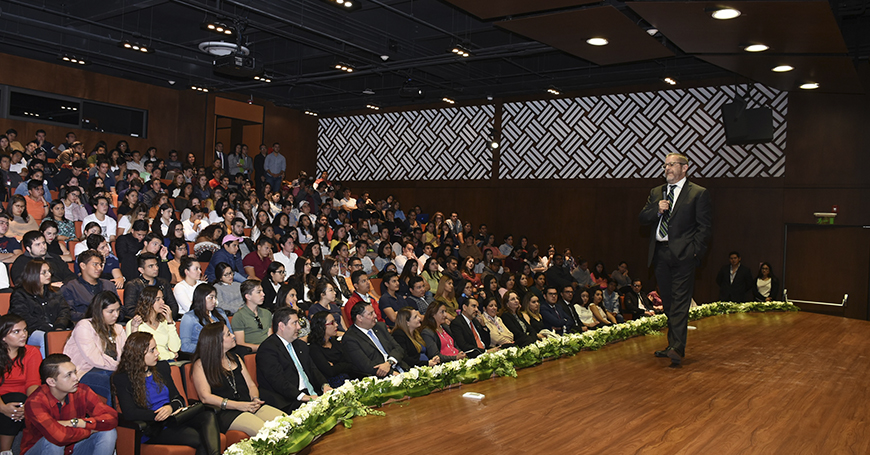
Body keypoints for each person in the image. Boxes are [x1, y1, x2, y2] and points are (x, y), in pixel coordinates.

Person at [639, 152, 712, 367]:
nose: (667, 168)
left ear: (685, 167)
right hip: (660, 254)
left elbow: (704, 227)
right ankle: (672, 345)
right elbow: (642, 218)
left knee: (680, 301)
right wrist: (656, 210)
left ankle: (677, 347)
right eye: (665, 165)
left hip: (684, 256)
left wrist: (695, 253)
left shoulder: (698, 193)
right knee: (669, 302)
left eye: (672, 165)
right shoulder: (656, 192)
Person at [112, 332, 220, 455]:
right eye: (152, 350)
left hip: (174, 418)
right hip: (154, 426)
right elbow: (129, 412)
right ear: (138, 354)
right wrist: (158, 414)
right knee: (201, 439)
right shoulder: (123, 378)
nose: (157, 353)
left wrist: (170, 408)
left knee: (208, 415)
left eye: (156, 348)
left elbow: (178, 398)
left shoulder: (162, 367)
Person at [190, 323, 283, 436]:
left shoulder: (235, 358)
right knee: (266, 432)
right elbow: (205, 397)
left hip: (248, 405)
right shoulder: (201, 365)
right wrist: (238, 405)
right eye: (228, 334)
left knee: (285, 423)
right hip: (226, 412)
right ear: (217, 342)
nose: (233, 335)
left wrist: (255, 399)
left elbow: (251, 385)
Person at [22, 353, 118, 455]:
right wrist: (90, 430)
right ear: (51, 382)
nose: (75, 378)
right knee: (53, 443)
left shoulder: (82, 391)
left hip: (73, 447)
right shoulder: (35, 402)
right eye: (68, 375)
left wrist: (79, 423)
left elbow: (112, 417)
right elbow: (59, 437)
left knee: (109, 433)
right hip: (41, 450)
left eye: (75, 372)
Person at [256, 307, 330, 413]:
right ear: (281, 326)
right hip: (288, 399)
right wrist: (303, 397)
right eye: (294, 323)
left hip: (310, 393)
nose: (299, 327)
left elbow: (312, 369)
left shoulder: (300, 345)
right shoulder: (268, 349)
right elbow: (278, 381)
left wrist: (324, 385)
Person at [63, 292, 126, 405]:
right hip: (84, 371)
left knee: (133, 378)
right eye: (111, 311)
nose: (116, 315)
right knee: (113, 382)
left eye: (118, 310)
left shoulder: (118, 328)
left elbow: (125, 354)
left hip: (111, 370)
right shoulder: (85, 326)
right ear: (98, 311)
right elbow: (94, 359)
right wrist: (120, 367)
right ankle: (111, 418)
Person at [10, 260, 73, 357]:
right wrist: (49, 329)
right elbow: (24, 317)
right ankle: (47, 368)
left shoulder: (54, 291)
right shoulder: (20, 294)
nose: (49, 274)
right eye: (44, 272)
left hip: (55, 327)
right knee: (45, 338)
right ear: (33, 274)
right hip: (31, 331)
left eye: (49, 271)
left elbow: (64, 311)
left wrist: (59, 326)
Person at [0, 314, 41, 453]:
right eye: (17, 332)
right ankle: (5, 450)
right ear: (3, 336)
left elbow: (33, 383)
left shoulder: (32, 352)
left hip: (22, 401)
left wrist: (29, 406)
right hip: (2, 401)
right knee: (15, 401)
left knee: (19, 401)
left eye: (24, 330)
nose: (23, 334)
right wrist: (3, 408)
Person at [342, 302, 410, 378]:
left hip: (400, 366)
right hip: (381, 377)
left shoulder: (380, 327)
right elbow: (366, 366)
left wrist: (389, 363)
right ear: (359, 318)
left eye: (374, 312)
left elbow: (398, 349)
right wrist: (391, 372)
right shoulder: (350, 338)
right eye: (370, 314)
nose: (375, 315)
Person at [61, 250, 118, 322]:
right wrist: (97, 316)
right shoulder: (70, 287)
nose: (99, 268)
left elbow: (120, 309)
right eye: (95, 264)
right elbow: (69, 314)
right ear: (83, 266)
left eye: (100, 264)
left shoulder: (109, 285)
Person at [125, 287, 181, 361]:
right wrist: (171, 354)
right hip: (148, 363)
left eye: (162, 298)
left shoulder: (164, 322)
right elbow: (134, 351)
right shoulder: (135, 323)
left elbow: (175, 348)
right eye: (158, 299)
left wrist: (170, 322)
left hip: (168, 361)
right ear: (148, 302)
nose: (163, 302)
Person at [123, 253, 179, 322]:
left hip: (164, 320)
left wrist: (165, 317)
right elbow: (130, 310)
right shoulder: (133, 285)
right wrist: (150, 318)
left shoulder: (164, 283)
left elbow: (173, 306)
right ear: (141, 270)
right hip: (143, 322)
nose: (156, 268)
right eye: (151, 266)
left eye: (156, 265)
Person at [179, 284, 233, 356]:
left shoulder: (220, 313)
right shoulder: (189, 318)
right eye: (211, 298)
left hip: (224, 351)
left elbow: (232, 336)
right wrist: (211, 348)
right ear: (201, 298)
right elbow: (185, 346)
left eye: (215, 297)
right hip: (203, 355)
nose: (214, 301)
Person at [308, 312, 355, 388]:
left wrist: (335, 365)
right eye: (332, 323)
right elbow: (330, 372)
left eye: (335, 322)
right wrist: (342, 364)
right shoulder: (314, 349)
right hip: (331, 386)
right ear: (321, 327)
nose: (336, 325)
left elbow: (350, 363)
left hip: (347, 381)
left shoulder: (334, 342)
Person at [231, 280, 272, 353]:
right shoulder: (239, 316)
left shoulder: (267, 313)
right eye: (258, 292)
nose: (263, 294)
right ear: (248, 296)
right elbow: (240, 344)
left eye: (262, 291)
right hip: (252, 353)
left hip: (269, 351)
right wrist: (263, 348)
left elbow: (270, 337)